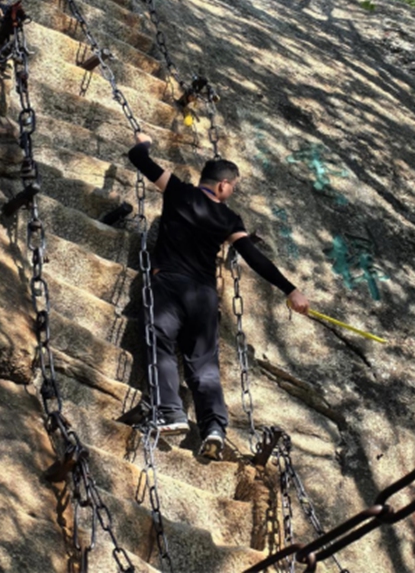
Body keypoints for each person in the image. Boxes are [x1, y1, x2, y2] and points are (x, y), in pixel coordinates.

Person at [127, 131, 309, 460]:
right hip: (204, 296)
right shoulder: (229, 218)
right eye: (234, 187)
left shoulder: (178, 191)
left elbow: (138, 158)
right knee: (204, 363)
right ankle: (213, 427)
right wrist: (290, 289)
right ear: (223, 185)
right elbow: (254, 257)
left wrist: (145, 141)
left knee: (160, 341)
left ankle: (171, 412)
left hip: (168, 284)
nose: (232, 192)